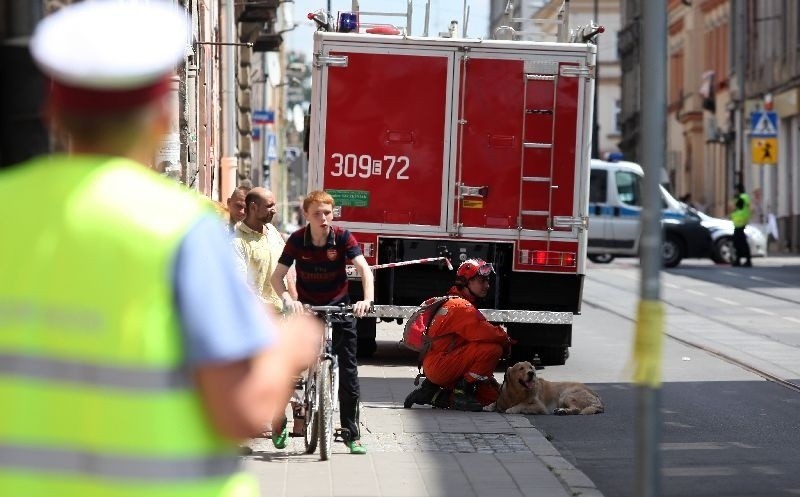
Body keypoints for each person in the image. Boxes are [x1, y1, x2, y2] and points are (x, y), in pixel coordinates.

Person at [0, 2, 318, 496]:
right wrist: (292, 346)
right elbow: (242, 409)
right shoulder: (181, 228)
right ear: (161, 117)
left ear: (54, 109)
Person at [271, 190, 374, 455]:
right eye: (317, 213)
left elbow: (363, 269)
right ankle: (279, 420)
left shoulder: (342, 237)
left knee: (349, 371)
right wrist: (288, 299)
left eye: (328, 212)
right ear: (306, 215)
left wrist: (366, 299)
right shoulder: (297, 240)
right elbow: (277, 277)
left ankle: (352, 435)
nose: (323, 218)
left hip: (339, 308)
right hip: (307, 308)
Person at [231, 187, 302, 443]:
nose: (275, 209)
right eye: (270, 206)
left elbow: (287, 271)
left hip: (282, 314)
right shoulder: (238, 241)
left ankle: (283, 418)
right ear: (252, 208)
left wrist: (294, 300)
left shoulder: (273, 233)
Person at [403, 259, 512, 412]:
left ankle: (430, 393)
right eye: (482, 281)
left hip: (438, 363)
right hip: (441, 366)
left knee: (492, 397)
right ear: (466, 282)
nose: (487, 285)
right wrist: (507, 341)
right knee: (493, 350)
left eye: (487, 280)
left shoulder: (455, 301)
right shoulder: (461, 307)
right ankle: (461, 392)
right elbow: (487, 333)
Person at [731, 183, 752, 267]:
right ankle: (740, 260)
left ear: (738, 190)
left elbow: (735, 208)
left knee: (739, 242)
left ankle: (744, 260)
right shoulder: (744, 197)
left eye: (735, 190)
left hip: (740, 223)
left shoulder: (742, 198)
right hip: (740, 222)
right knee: (739, 242)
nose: (734, 192)